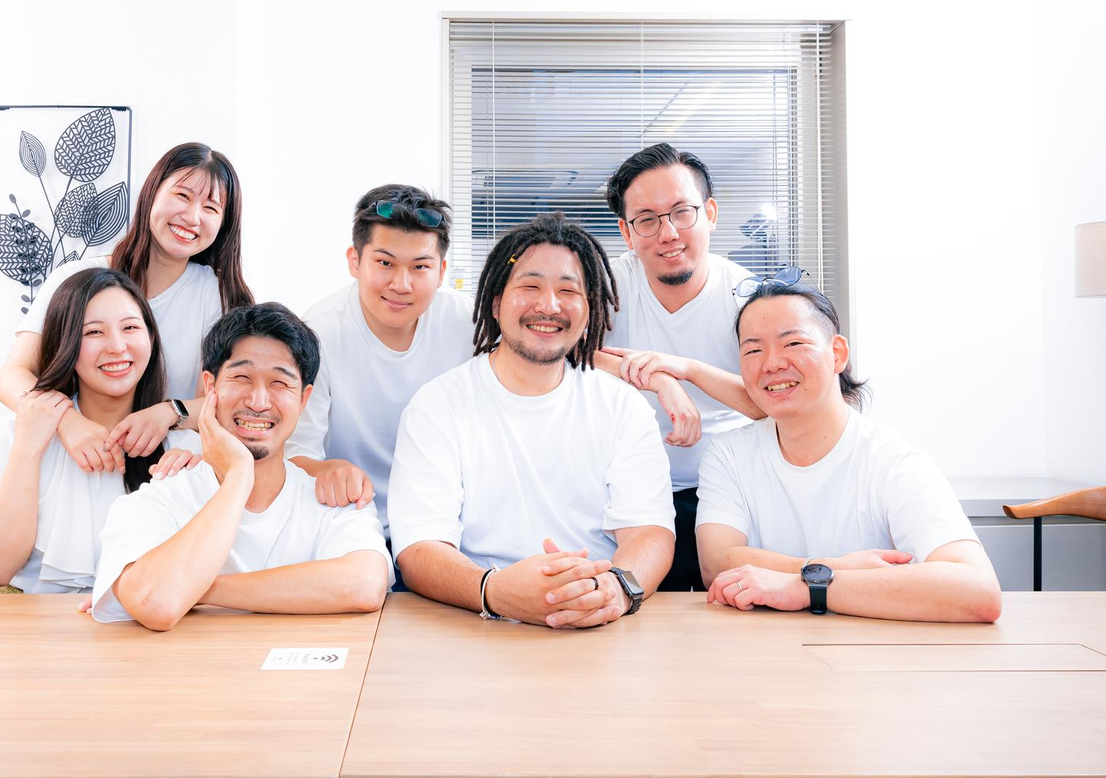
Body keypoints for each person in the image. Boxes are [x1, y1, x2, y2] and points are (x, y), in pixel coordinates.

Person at [387, 213, 675, 630]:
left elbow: (650, 532)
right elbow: (419, 548)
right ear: (496, 303)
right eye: (530, 286)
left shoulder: (623, 407)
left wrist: (613, 589)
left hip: (599, 622)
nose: (549, 306)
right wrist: (496, 591)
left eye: (568, 290)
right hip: (473, 623)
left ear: (590, 310)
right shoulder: (437, 406)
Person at [696, 280, 1002, 623]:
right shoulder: (729, 454)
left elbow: (978, 591)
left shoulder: (892, 461)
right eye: (753, 351)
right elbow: (716, 564)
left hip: (868, 649)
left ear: (838, 353)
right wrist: (833, 568)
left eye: (793, 343)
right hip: (757, 647)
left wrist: (806, 586)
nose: (771, 363)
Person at [91, 303, 392, 630]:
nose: (258, 402)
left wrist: (195, 589)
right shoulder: (157, 500)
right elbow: (156, 602)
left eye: (280, 383)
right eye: (241, 378)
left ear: (304, 399)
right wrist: (238, 475)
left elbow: (364, 584)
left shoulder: (333, 498)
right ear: (210, 387)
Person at [0, 143, 252, 477]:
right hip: (70, 457)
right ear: (152, 193)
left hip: (166, 470)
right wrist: (67, 422)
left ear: (223, 224)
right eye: (182, 196)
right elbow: (12, 378)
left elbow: (224, 400)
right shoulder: (75, 277)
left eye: (211, 208)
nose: (193, 217)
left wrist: (169, 413)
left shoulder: (217, 295)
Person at [594, 142, 767, 592]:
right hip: (627, 490)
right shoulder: (609, 284)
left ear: (710, 213)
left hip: (727, 490)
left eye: (681, 212)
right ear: (627, 232)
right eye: (647, 219)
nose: (668, 233)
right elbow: (559, 351)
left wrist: (686, 369)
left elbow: (771, 405)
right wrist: (657, 378)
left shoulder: (750, 297)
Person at [0, 267, 199, 592]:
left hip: (139, 621)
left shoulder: (184, 447)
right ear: (65, 344)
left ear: (151, 338)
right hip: (31, 621)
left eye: (130, 327)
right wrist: (28, 449)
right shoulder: (13, 434)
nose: (117, 346)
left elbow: (195, 574)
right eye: (94, 332)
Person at [281, 184, 471, 534]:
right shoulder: (318, 334)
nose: (401, 284)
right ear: (354, 261)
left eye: (420, 267)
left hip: (448, 521)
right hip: (352, 519)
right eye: (385, 263)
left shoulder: (469, 326)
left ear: (441, 272)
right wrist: (327, 471)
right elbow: (294, 454)